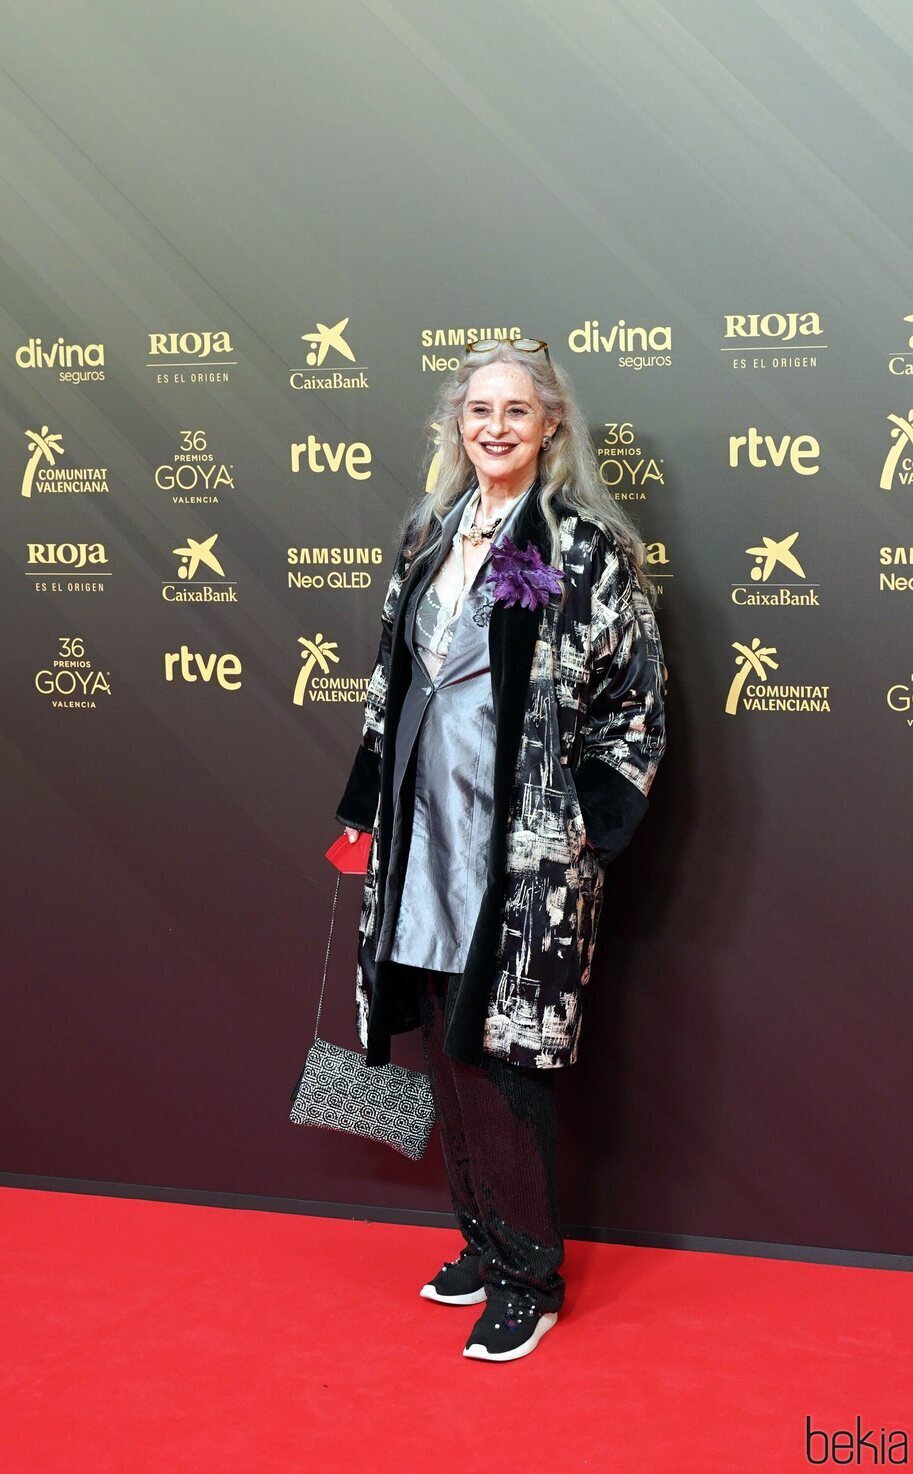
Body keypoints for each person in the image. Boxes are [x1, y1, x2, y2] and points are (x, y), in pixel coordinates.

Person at [335, 336, 667, 1362]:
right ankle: (481, 1237)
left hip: (518, 849)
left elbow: (636, 704)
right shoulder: (430, 536)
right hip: (421, 826)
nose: (493, 427)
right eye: (477, 410)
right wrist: (360, 807)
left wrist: (583, 822)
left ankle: (530, 1272)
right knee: (441, 1034)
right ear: (455, 423)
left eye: (515, 411)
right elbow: (390, 688)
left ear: (550, 425)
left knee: (503, 1049)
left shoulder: (577, 549)